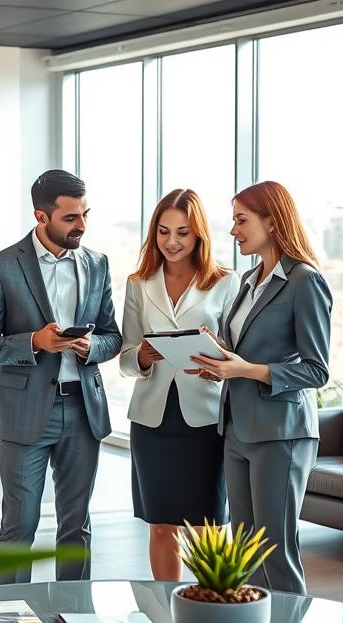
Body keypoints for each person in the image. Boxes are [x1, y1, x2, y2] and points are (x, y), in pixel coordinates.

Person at [0, 169, 122, 584]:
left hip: (83, 409)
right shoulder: (2, 265)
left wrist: (91, 347)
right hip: (22, 411)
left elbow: (112, 336)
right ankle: (11, 614)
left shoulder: (97, 264)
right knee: (19, 526)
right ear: (41, 216)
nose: (82, 225)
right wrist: (34, 341)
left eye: (85, 214)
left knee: (77, 527)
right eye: (71, 217)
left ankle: (75, 613)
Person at [191, 181, 332, 596]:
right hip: (238, 428)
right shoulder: (250, 280)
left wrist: (246, 370)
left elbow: (316, 371)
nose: (232, 230)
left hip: (280, 433)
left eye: (241, 220)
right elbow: (246, 351)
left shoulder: (304, 281)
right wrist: (220, 360)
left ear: (272, 222)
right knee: (245, 551)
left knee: (276, 551)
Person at [119, 189, 240, 581]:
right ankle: (165, 607)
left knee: (209, 526)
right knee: (161, 525)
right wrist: (142, 357)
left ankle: (213, 604)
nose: (171, 241)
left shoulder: (225, 282)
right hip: (152, 421)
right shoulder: (139, 284)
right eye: (164, 231)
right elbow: (125, 356)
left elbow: (237, 354)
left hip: (205, 418)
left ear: (199, 234)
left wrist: (216, 354)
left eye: (182, 232)